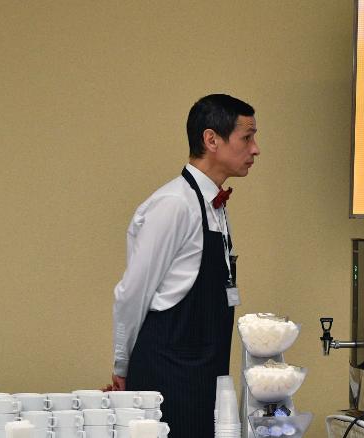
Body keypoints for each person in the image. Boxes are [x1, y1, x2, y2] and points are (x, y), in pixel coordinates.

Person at [110, 94, 259, 438]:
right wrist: (122, 366)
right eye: (247, 137)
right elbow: (132, 293)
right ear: (211, 140)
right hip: (168, 379)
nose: (256, 149)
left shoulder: (215, 205)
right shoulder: (173, 205)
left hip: (203, 375)